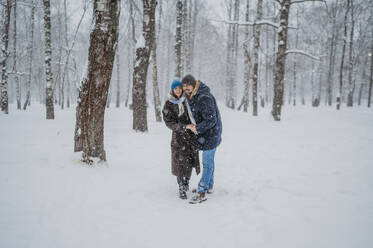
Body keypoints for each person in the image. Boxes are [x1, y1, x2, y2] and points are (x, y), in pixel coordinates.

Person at [181, 74, 222, 204]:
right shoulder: (193, 95)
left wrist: (197, 128)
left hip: (211, 133)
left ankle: (202, 191)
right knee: (209, 161)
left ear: (194, 86)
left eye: (188, 88)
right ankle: (209, 185)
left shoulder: (204, 97)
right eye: (184, 88)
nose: (186, 90)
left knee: (207, 162)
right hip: (206, 133)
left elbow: (211, 119)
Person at [162, 79, 200, 200]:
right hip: (178, 138)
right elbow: (169, 123)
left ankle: (186, 182)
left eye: (179, 88)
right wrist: (184, 127)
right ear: (172, 90)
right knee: (179, 163)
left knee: (189, 162)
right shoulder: (169, 103)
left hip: (190, 137)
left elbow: (195, 114)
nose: (178, 90)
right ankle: (181, 187)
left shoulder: (187, 100)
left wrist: (194, 125)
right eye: (175, 88)